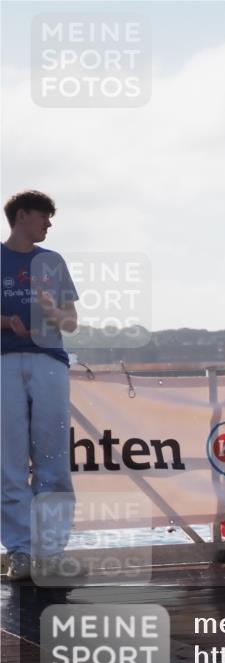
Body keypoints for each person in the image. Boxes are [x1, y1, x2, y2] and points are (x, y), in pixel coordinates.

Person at [2, 190, 79, 581]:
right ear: (22, 216)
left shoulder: (52, 262)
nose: (49, 224)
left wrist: (50, 309)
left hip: (49, 361)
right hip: (3, 363)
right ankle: (21, 552)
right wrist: (6, 323)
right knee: (9, 461)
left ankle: (50, 551)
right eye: (44, 217)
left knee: (52, 458)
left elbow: (71, 322)